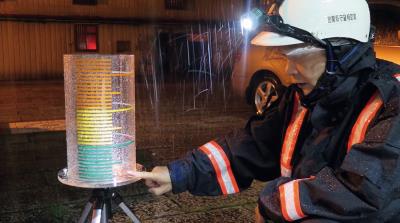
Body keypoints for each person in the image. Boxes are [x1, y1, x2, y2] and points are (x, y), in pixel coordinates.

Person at [129, 0, 400, 222]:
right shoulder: (307, 96)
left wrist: (274, 204)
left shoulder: (391, 103)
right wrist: (178, 174)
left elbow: (363, 194)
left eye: (297, 58)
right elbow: (253, 145)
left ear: (340, 52)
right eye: (284, 57)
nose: (288, 71)